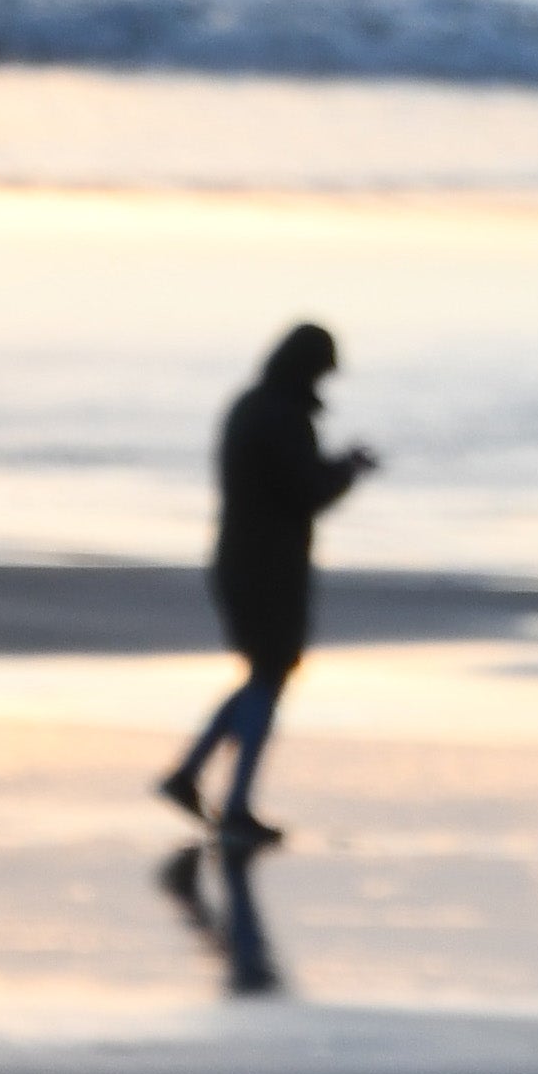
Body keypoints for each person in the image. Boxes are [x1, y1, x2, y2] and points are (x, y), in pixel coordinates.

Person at [158, 321, 376, 844]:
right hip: (267, 563)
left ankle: (192, 776)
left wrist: (334, 471)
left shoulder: (253, 405)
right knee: (269, 674)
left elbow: (287, 482)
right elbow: (305, 490)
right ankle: (230, 803)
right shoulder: (283, 414)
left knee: (264, 673)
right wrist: (347, 471)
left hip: (242, 556)